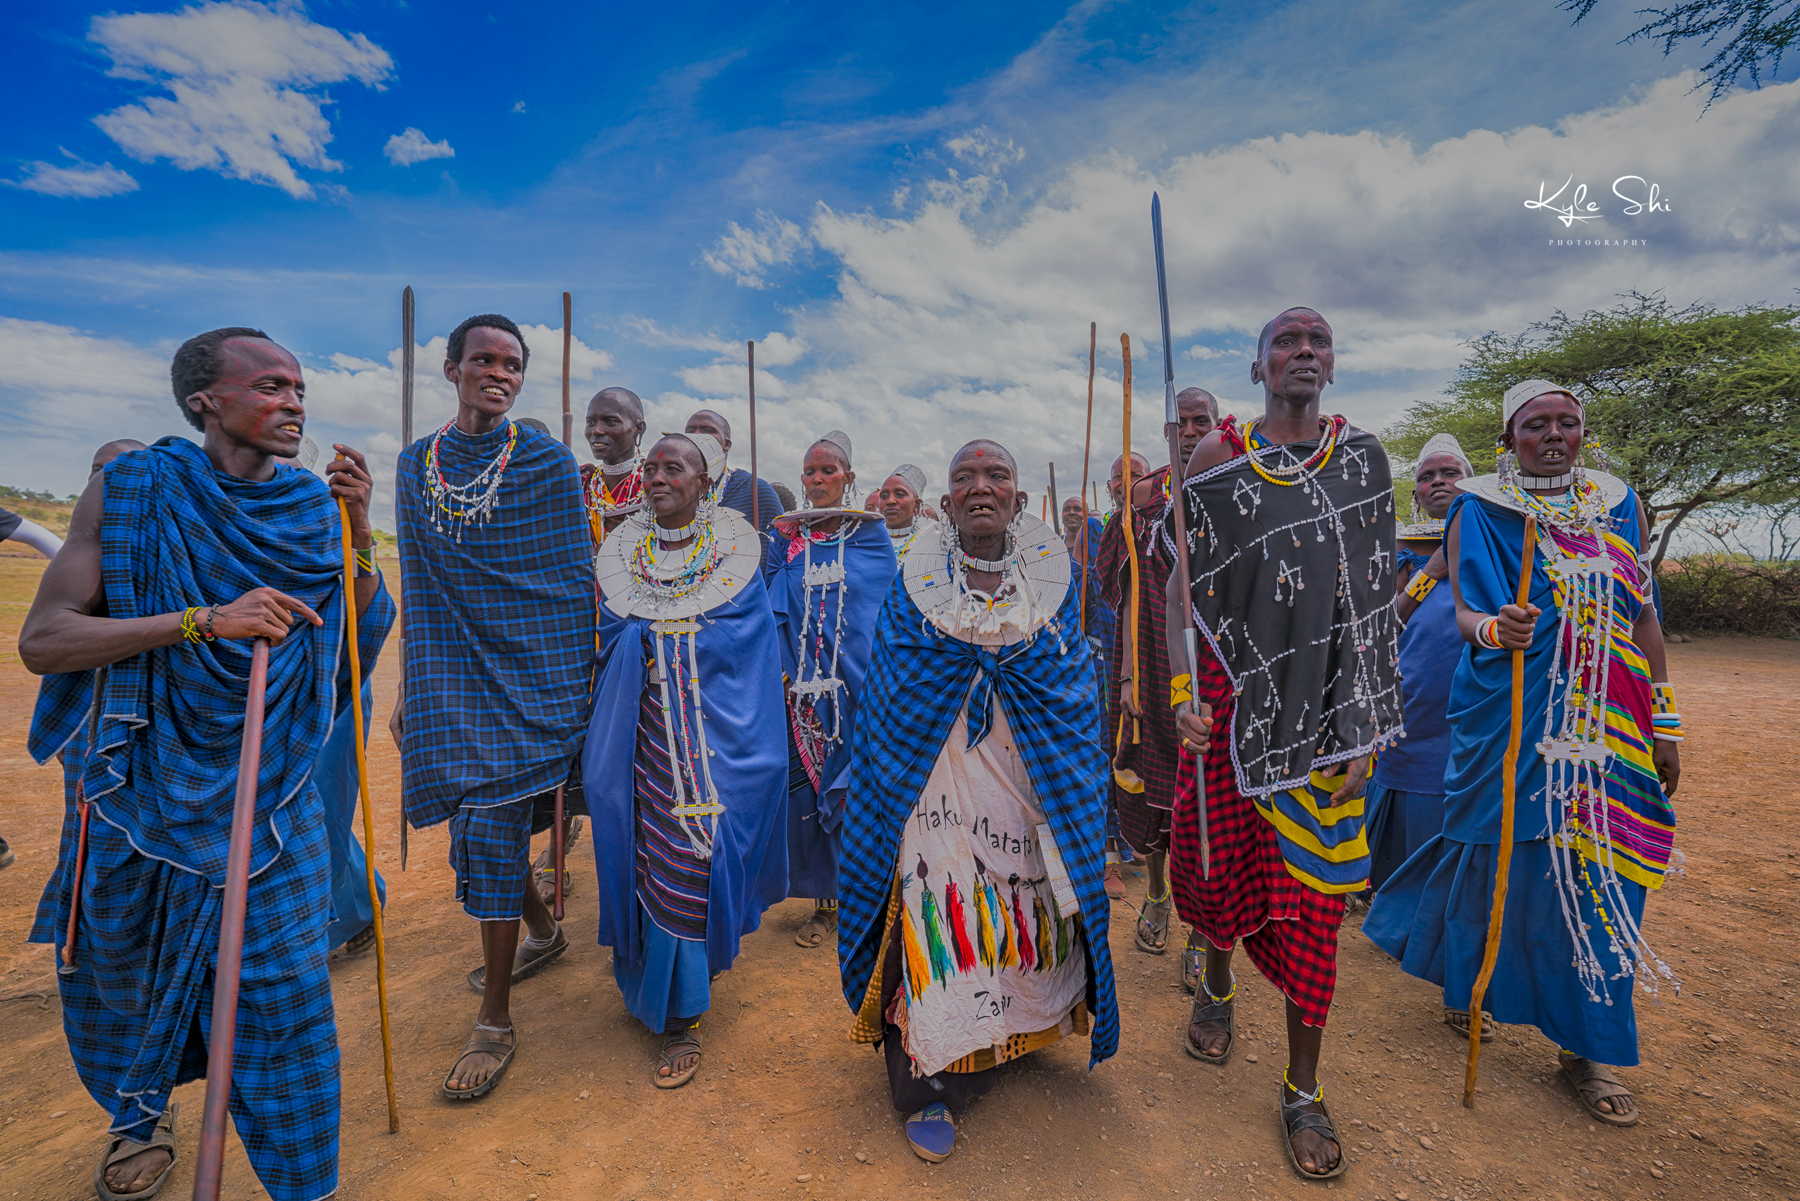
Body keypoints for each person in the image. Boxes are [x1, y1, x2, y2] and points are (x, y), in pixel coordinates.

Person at [19, 326, 393, 1201]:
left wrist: (360, 527)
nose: (295, 402)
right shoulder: (134, 491)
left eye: (300, 387)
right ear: (204, 402)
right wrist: (202, 621)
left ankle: (307, 1183)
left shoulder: (309, 506)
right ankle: (141, 1114)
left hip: (273, 793)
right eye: (271, 386)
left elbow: (354, 628)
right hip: (143, 788)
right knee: (130, 968)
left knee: (287, 994)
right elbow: (46, 640)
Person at [1366, 380, 1680, 1128]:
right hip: (1510, 718)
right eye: (1534, 424)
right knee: (1493, 852)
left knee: (1598, 876)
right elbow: (1469, 607)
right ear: (1508, 440)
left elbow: (1644, 615)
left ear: (1584, 433)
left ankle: (1589, 1044)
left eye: (1566, 423)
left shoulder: (1619, 508)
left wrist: (1664, 722)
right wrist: (1493, 630)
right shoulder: (1483, 510)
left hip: (1609, 726)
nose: (1552, 435)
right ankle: (1471, 982)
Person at [1169, 308, 1402, 1179]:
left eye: (1319, 342)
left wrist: (1370, 725)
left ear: (1332, 365)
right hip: (1237, 704)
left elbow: (1375, 607)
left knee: (1316, 908)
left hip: (1333, 715)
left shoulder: (1368, 461)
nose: (1304, 352)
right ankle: (1218, 983)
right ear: (1259, 364)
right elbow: (1180, 586)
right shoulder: (1218, 458)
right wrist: (1184, 689)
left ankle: (1303, 1086)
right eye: (1287, 342)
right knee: (1224, 867)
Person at [839, 439, 1119, 1164]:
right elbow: (893, 690)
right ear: (946, 503)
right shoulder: (912, 587)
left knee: (1019, 903)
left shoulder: (1052, 590)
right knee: (943, 914)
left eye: (997, 475)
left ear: (1021, 501)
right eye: (964, 477)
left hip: (1026, 783)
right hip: (930, 783)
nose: (980, 486)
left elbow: (1070, 689)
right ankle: (931, 1078)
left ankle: (1007, 1037)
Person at [391, 314, 594, 1102]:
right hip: (453, 675)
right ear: (451, 368)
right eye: (484, 359)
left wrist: (575, 682)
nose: (499, 372)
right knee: (480, 817)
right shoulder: (416, 468)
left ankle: (495, 1017)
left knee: (493, 821)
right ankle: (542, 930)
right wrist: (414, 684)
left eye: (512, 363)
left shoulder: (545, 461)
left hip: (534, 677)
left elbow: (567, 585)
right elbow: (424, 589)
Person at [587, 430, 787, 1087]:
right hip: (645, 742)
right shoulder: (622, 557)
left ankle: (684, 1010)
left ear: (707, 483)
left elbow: (749, 646)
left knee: (697, 863)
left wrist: (680, 644)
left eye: (678, 467)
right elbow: (611, 634)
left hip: (715, 746)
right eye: (654, 466)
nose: (661, 474)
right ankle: (660, 993)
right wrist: (643, 641)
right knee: (654, 861)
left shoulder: (735, 560)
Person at [1096, 386, 1218, 966]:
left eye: (1202, 420)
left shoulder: (1242, 485)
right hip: (1148, 668)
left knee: (1208, 803)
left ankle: (1203, 924)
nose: (1191, 431)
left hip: (1215, 675)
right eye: (1181, 422)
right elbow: (1124, 599)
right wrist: (1124, 679)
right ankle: (1160, 895)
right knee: (1150, 793)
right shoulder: (1143, 501)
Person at [765, 431, 897, 948]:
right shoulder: (786, 540)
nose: (818, 479)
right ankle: (825, 899)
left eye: (829, 471)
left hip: (861, 680)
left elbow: (880, 610)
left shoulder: (870, 538)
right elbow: (769, 605)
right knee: (810, 783)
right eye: (810, 472)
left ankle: (867, 895)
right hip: (800, 684)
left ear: (848, 476)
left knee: (859, 783)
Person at [1361, 435, 1474, 904]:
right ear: (1416, 494)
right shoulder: (1398, 547)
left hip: (1473, 704)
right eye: (1427, 477)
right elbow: (1377, 627)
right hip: (1410, 704)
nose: (1438, 482)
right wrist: (1432, 569)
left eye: (1450, 473)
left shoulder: (1501, 539)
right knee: (1408, 794)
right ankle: (1397, 903)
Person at [684, 409, 783, 533]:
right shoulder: (673, 489)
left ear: (726, 444)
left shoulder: (756, 491)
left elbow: (779, 546)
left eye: (707, 431)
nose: (696, 435)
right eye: (690, 432)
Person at [582, 386, 648, 542]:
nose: (596, 430)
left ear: (639, 429)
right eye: (591, 422)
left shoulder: (656, 484)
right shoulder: (581, 484)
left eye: (610, 421)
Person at [877, 463, 933, 560]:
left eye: (900, 494)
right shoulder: (866, 540)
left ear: (917, 504)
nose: (890, 501)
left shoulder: (930, 543)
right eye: (884, 496)